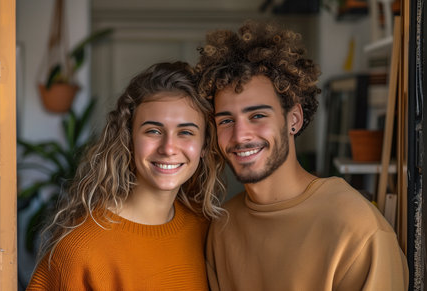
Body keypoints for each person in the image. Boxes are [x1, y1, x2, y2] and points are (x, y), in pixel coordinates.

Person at [196, 20, 408, 291]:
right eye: (226, 120)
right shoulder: (222, 225)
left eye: (258, 116)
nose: (240, 135)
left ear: (293, 118)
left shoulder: (357, 229)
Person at [27, 61, 225, 290]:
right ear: (128, 139)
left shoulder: (205, 230)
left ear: (204, 146)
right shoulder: (80, 249)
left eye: (186, 132)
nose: (168, 148)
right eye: (153, 131)